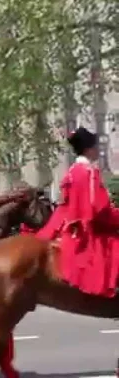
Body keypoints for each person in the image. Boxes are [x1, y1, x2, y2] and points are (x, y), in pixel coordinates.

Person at [36, 127, 119, 297]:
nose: (98, 150)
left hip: (73, 227)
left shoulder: (72, 171)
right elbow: (98, 209)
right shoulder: (89, 173)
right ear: (89, 149)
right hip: (91, 229)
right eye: (96, 147)